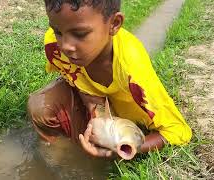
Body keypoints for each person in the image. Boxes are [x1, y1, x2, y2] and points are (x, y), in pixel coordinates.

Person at [27, 0, 192, 158]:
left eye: (80, 34)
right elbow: (76, 79)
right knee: (39, 106)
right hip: (97, 106)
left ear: (114, 24)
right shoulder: (54, 44)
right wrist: (94, 108)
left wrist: (129, 147)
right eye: (58, 32)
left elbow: (177, 131)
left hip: (123, 118)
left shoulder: (132, 69)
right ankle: (61, 151)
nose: (66, 46)